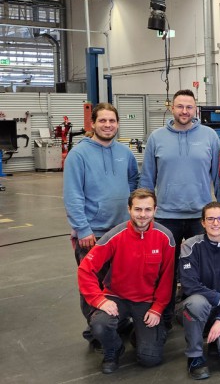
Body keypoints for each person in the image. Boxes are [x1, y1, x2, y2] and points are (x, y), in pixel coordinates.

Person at [140, 89, 220, 329]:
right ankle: (163, 317)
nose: (184, 111)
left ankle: (206, 315)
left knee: (206, 269)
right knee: (165, 271)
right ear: (172, 108)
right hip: (167, 217)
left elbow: (218, 177)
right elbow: (146, 179)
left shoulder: (209, 137)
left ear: (195, 109)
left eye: (189, 107)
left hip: (201, 217)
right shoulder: (156, 138)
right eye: (180, 106)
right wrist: (145, 215)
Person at [63, 102, 139, 347]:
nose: (108, 125)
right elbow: (72, 194)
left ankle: (119, 322)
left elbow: (133, 184)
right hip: (92, 233)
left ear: (118, 124)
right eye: (103, 121)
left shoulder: (125, 153)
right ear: (93, 124)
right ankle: (96, 329)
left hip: (122, 231)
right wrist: (83, 228)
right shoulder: (79, 154)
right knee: (93, 284)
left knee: (119, 280)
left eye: (112, 121)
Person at [77, 189, 175, 374]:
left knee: (150, 359)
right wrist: (100, 300)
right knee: (99, 324)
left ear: (155, 210)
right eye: (138, 209)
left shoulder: (165, 237)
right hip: (116, 298)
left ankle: (138, 333)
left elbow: (167, 277)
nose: (143, 215)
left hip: (146, 301)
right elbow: (85, 269)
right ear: (129, 209)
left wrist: (158, 308)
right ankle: (113, 349)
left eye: (148, 209)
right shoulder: (114, 236)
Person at [177, 202, 220, 380]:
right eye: (210, 219)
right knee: (197, 301)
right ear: (202, 222)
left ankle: (216, 337)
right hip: (193, 308)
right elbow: (189, 284)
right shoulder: (190, 246)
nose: (215, 223)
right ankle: (194, 357)